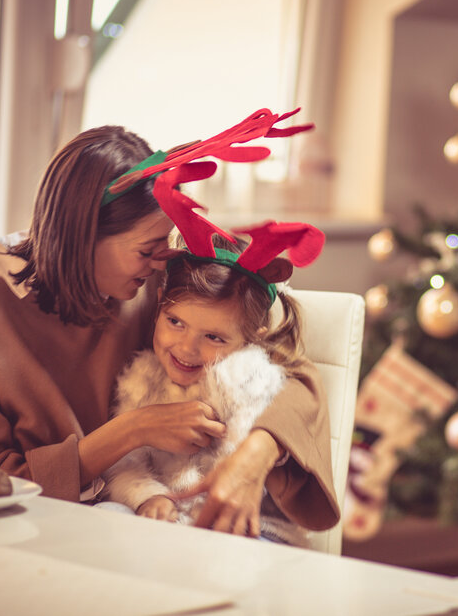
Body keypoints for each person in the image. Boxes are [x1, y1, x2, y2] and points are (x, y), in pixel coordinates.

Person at [0, 109, 340, 536]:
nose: (162, 261)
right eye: (147, 248)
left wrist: (253, 457)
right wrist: (133, 429)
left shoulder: (153, 288)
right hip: (26, 539)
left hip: (152, 531)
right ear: (82, 237)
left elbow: (292, 375)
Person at [101, 230, 321, 545]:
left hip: (244, 522)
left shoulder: (249, 381)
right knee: (110, 514)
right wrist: (148, 497)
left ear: (250, 340)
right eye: (175, 322)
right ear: (159, 304)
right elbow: (126, 463)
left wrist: (190, 521)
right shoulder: (142, 377)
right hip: (166, 516)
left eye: (214, 337)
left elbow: (236, 467)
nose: (186, 349)